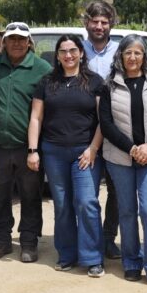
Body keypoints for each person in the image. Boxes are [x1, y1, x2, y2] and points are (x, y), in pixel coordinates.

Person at [27, 33, 106, 277]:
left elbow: (104, 120)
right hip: (53, 152)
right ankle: (67, 254)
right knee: (61, 205)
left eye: (73, 50)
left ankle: (93, 257)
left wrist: (92, 149)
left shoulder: (94, 82)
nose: (68, 55)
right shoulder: (47, 82)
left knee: (86, 203)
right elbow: (36, 117)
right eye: (63, 51)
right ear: (57, 55)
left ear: (81, 53)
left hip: (85, 152)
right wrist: (33, 150)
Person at [99, 35, 147, 289]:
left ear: (145, 57)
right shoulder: (109, 86)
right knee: (127, 211)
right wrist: (132, 149)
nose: (132, 57)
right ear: (120, 56)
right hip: (120, 158)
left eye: (138, 53)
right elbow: (106, 125)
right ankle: (131, 261)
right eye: (127, 52)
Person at [0, 22, 51, 263]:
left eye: (21, 39)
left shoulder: (42, 68)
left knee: (31, 195)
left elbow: (48, 109)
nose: (16, 43)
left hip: (28, 147)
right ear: (5, 42)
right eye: (11, 38)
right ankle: (2, 239)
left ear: (29, 42)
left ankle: (29, 241)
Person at [82, 1, 121, 260]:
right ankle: (91, 237)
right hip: (84, 131)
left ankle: (108, 238)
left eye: (104, 22)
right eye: (94, 21)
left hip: (117, 129)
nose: (99, 26)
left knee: (117, 191)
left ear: (111, 24)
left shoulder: (120, 51)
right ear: (87, 23)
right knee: (88, 191)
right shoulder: (76, 49)